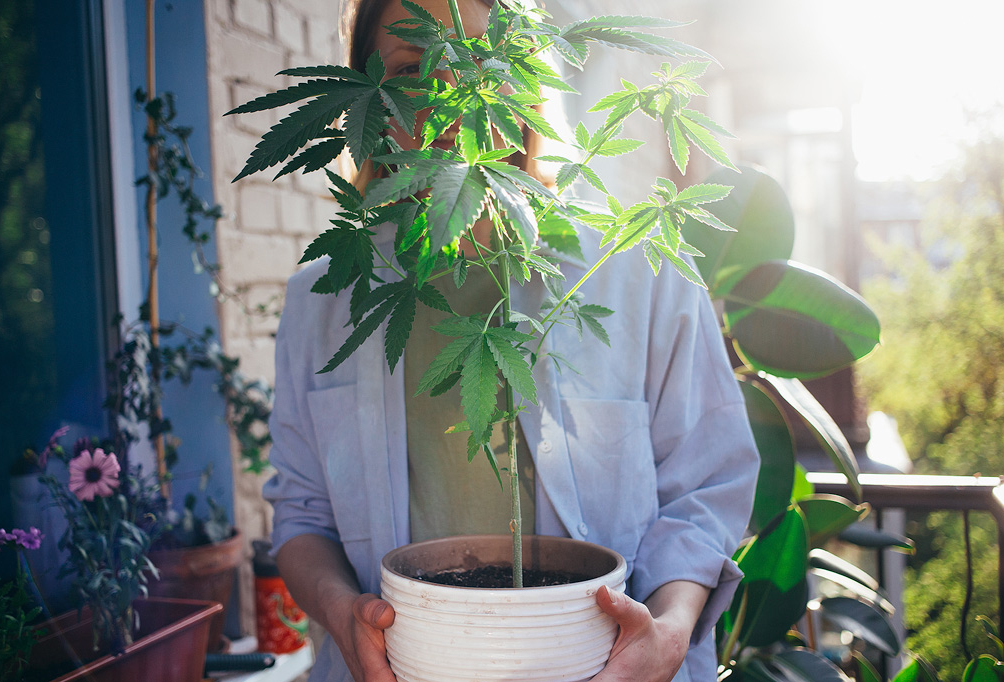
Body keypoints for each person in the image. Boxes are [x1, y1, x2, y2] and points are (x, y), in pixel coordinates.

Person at [261, 0, 760, 680]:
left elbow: (707, 486)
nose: (449, 101)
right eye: (411, 72)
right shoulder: (324, 297)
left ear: (526, 77)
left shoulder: (635, 268)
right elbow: (301, 517)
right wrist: (344, 614)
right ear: (369, 102)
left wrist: (670, 631)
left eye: (477, 63)